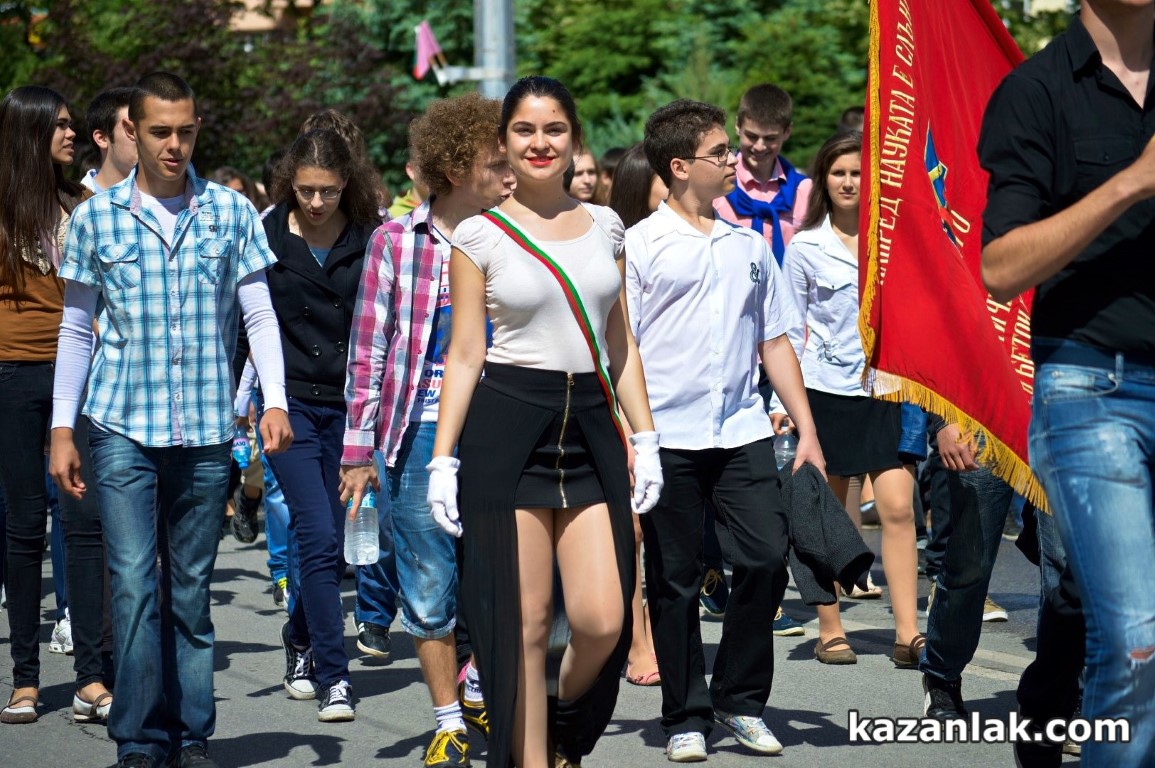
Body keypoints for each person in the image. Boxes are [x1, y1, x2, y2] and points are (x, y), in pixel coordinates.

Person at [48, 72, 292, 768]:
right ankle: (138, 739)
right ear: (132, 130)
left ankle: (190, 736)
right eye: (160, 132)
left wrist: (275, 399)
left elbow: (258, 314)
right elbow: (77, 328)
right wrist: (62, 428)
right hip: (120, 426)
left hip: (207, 431)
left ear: (197, 129)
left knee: (189, 592)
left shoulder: (231, 212)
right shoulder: (96, 217)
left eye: (185, 131)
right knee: (132, 583)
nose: (174, 145)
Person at [429, 75, 663, 768]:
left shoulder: (607, 225)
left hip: (590, 427)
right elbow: (465, 353)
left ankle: (560, 727)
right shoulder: (477, 233)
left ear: (573, 138)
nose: (540, 143)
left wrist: (646, 437)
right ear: (504, 141)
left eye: (554, 129)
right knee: (524, 627)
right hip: (507, 427)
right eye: (525, 130)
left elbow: (620, 344)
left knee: (603, 619)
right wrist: (442, 459)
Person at [978, 1, 1155, 763]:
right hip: (1094, 388)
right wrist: (1130, 183)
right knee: (1139, 639)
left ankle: (1055, 712)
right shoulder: (1037, 90)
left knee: (1107, 615)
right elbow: (999, 268)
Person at [626, 98, 824, 762]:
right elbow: (621, 350)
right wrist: (633, 437)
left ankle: (740, 701)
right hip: (666, 437)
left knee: (765, 558)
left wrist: (806, 429)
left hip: (741, 431)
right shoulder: (639, 246)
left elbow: (775, 341)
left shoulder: (749, 246)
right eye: (720, 152)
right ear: (681, 166)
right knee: (675, 580)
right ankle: (685, 715)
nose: (733, 160)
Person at [341, 91, 514, 768]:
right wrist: (358, 450)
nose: (509, 173)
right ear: (454, 168)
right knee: (427, 580)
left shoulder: (513, 236)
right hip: (415, 432)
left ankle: (478, 686)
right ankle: (448, 722)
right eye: (496, 163)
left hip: (497, 429)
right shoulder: (396, 242)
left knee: (498, 577)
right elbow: (368, 351)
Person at [249, 127, 380, 723]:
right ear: (290, 184)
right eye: (306, 190)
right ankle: (334, 675)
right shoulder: (266, 234)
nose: (317, 202)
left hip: (352, 408)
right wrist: (243, 402)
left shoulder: (370, 236)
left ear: (346, 183)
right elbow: (246, 321)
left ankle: (300, 635)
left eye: (328, 190)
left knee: (332, 542)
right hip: (289, 404)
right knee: (320, 538)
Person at [778, 131, 921, 667]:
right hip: (824, 391)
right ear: (823, 180)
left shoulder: (896, 240)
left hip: (888, 388)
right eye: (838, 172)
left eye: (857, 172)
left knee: (898, 507)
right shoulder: (804, 247)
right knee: (828, 516)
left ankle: (908, 634)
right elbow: (789, 331)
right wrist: (783, 403)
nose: (848, 181)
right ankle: (830, 628)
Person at [0, 84, 112, 727]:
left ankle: (91, 678)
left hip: (78, 376)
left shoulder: (83, 206)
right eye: (61, 125)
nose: (72, 134)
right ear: (30, 130)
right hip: (12, 378)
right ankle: (24, 680)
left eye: (73, 124)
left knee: (83, 522)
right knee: (22, 528)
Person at [606, 141, 666, 688]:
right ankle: (637, 639)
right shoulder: (613, 244)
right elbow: (618, 343)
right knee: (632, 529)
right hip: (620, 400)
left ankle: (658, 628)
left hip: (678, 403)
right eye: (666, 176)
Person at [713, 83, 811, 265]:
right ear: (738, 126)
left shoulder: (805, 191)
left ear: (787, 132)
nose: (759, 146)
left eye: (770, 138)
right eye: (751, 136)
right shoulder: (715, 188)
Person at [81, 86, 136, 193]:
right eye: (130, 130)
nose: (142, 138)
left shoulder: (164, 196)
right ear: (101, 139)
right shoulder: (75, 202)